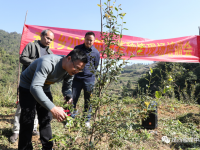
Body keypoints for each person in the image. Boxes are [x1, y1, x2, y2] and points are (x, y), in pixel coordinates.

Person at [18, 49, 88, 150]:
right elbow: (35, 87)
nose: (77, 71)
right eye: (76, 68)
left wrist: (68, 95)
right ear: (69, 59)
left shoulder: (70, 70)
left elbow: (67, 87)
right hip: (27, 86)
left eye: (80, 70)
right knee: (28, 119)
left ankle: (47, 147)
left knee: (46, 119)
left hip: (44, 87)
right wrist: (53, 108)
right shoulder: (47, 63)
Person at [10, 29, 54, 144]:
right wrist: (36, 63)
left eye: (51, 40)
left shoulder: (50, 54)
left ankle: (34, 128)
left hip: (40, 85)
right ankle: (16, 130)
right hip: (27, 83)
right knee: (22, 109)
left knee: (35, 108)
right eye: (48, 38)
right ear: (42, 36)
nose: (49, 41)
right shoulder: (32, 46)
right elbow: (22, 58)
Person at [71, 31, 100, 128]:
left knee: (88, 101)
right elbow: (72, 61)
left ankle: (86, 120)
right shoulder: (77, 48)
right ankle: (70, 119)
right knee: (72, 99)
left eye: (91, 40)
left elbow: (95, 66)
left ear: (94, 41)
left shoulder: (96, 52)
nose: (89, 42)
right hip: (76, 79)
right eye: (87, 39)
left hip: (89, 80)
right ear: (84, 39)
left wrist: (89, 73)